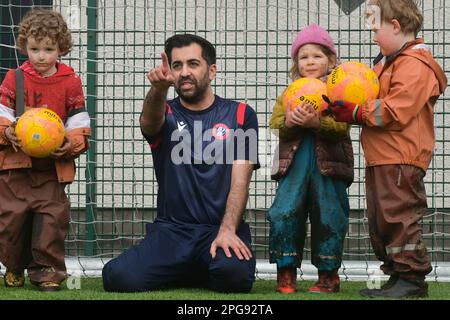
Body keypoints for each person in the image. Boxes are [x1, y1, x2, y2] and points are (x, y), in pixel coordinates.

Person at [102, 34, 259, 293]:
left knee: (234, 278)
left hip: (218, 230)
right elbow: (149, 123)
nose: (184, 72)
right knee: (118, 278)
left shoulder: (242, 114)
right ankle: (190, 266)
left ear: (212, 71)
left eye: (193, 64)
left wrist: (229, 230)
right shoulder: (165, 112)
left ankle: (192, 266)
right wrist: (159, 89)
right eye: (177, 66)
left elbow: (241, 179)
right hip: (173, 232)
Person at [330, 0, 447, 298]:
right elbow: (370, 95)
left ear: (395, 26)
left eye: (375, 28)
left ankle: (412, 277)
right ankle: (397, 274)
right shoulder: (389, 63)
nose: (372, 35)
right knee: (382, 219)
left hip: (401, 157)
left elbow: (396, 109)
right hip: (382, 156)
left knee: (399, 215)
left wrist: (356, 112)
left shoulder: (415, 64)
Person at [0, 9, 91, 291]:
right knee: (11, 220)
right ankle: (14, 265)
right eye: (34, 49)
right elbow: (1, 113)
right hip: (16, 167)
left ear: (61, 48)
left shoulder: (70, 82)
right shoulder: (13, 78)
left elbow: (79, 123)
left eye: (48, 49)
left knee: (51, 219)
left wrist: (70, 144)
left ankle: (46, 271)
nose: (41, 56)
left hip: (51, 168)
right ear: (24, 46)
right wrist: (6, 131)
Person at [267, 23, 354, 294]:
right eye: (303, 57)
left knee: (329, 214)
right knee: (284, 212)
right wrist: (290, 121)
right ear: (296, 64)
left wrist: (318, 123)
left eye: (317, 55)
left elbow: (343, 126)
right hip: (293, 167)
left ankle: (328, 275)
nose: (310, 61)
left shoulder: (340, 91)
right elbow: (276, 122)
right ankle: (286, 273)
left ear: (330, 60)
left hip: (328, 167)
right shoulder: (290, 92)